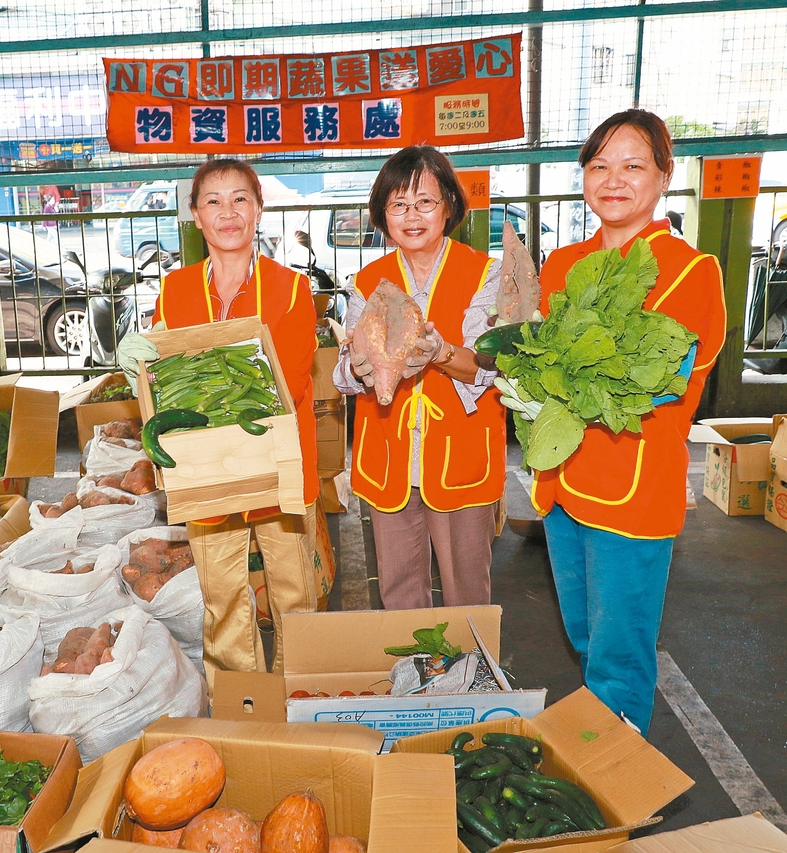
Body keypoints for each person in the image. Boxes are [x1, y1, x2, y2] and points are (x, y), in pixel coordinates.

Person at [528, 109, 726, 733]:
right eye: (599, 166)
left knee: (620, 655)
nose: (613, 180)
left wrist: (556, 373)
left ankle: (618, 791)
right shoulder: (562, 264)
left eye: (633, 165)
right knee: (587, 638)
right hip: (564, 487)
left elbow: (658, 385)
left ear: (665, 177)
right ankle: (605, 758)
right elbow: (540, 365)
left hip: (635, 491)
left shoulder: (694, 272)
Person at [117, 159, 320, 685]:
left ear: (258, 209)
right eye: (213, 201)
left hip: (277, 463)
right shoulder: (175, 289)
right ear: (195, 216)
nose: (227, 212)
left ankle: (300, 693)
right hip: (204, 471)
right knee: (223, 593)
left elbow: (289, 384)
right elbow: (166, 375)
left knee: (294, 588)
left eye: (239, 199)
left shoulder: (292, 289)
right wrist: (141, 361)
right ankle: (242, 701)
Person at [332, 145, 506, 610]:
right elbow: (344, 370)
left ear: (449, 205)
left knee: (467, 591)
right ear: (383, 214)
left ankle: (472, 678)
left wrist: (441, 353)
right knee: (398, 591)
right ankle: (414, 678)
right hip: (390, 456)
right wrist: (357, 369)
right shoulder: (367, 281)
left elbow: (491, 364)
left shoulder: (485, 274)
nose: (412, 215)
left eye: (425, 202)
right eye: (398, 204)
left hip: (461, 455)